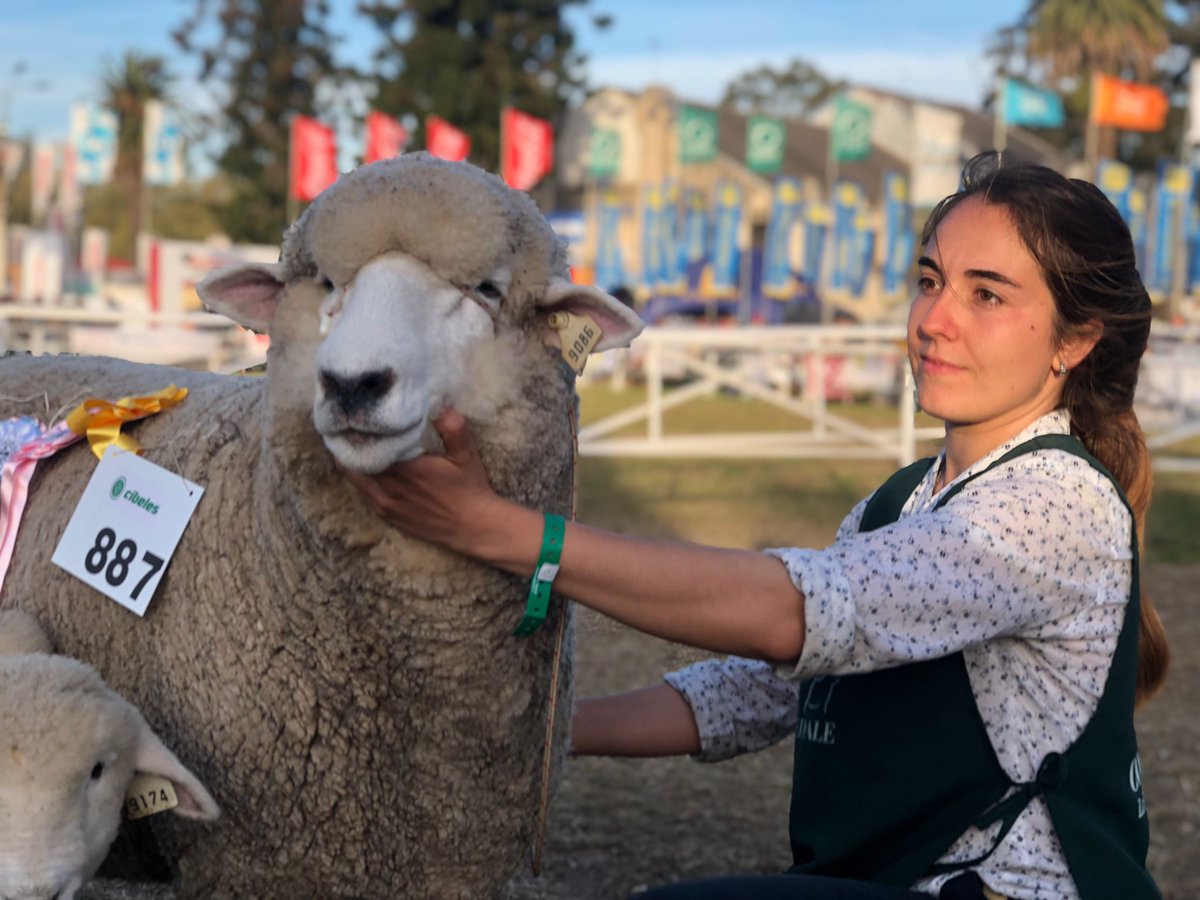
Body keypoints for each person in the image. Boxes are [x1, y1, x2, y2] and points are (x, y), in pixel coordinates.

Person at [342, 152, 1168, 900]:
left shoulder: (1056, 502)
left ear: (1076, 341)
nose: (934, 319)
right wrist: (540, 735)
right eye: (929, 280)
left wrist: (499, 530)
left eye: (986, 293)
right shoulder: (908, 500)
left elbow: (793, 612)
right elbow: (749, 690)